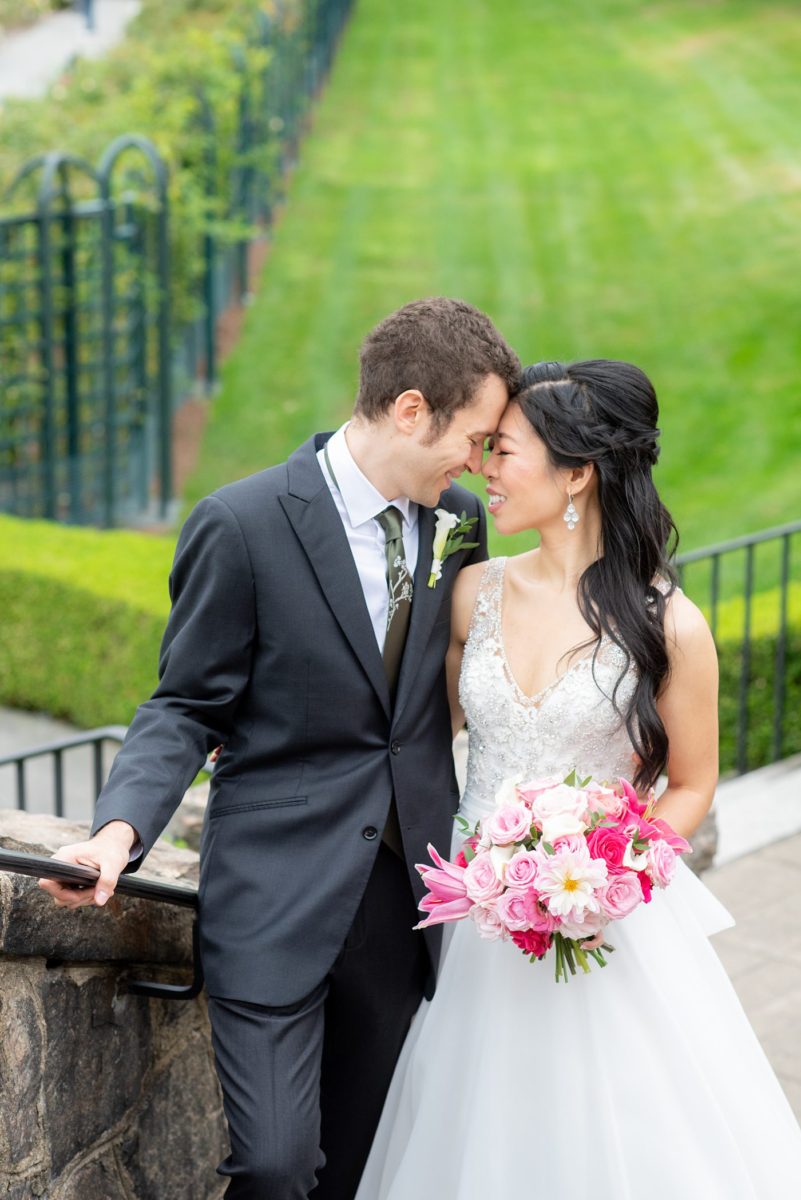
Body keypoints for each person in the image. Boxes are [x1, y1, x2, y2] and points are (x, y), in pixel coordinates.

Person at [39, 297, 520, 1199]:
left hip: (400, 902)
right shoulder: (244, 522)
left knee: (354, 1167)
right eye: (477, 436)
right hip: (272, 892)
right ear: (411, 409)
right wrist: (116, 833)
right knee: (274, 1163)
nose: (482, 462)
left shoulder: (456, 523)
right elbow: (184, 702)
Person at [356, 359, 801, 1198]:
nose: (482, 470)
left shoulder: (668, 623)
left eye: (504, 452)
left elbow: (692, 782)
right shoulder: (471, 593)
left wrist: (611, 877)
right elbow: (410, 733)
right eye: (483, 451)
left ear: (577, 473)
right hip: (471, 914)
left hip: (606, 922)